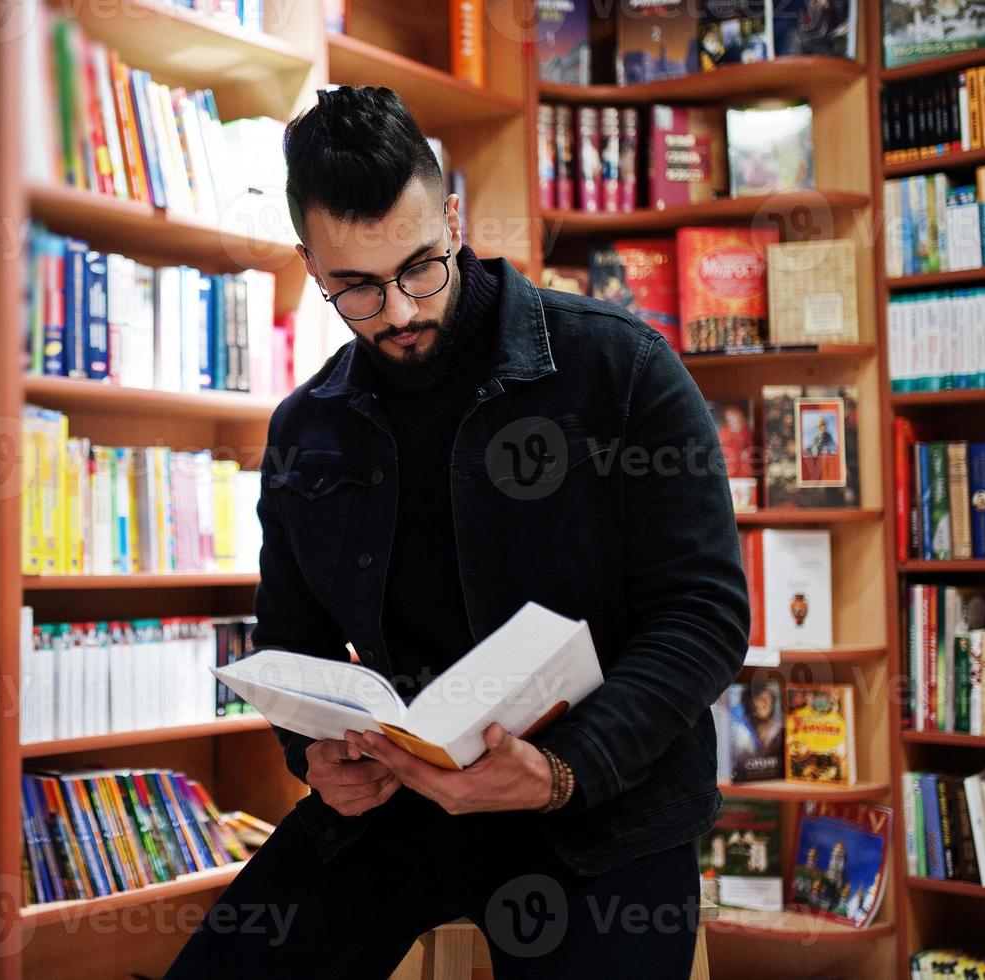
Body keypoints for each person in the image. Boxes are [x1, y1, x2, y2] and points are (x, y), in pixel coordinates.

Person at [167, 86, 748, 979]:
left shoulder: (619, 366)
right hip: (399, 801)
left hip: (600, 805)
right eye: (353, 288)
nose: (397, 311)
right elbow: (293, 640)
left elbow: (703, 614)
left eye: (419, 268)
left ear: (452, 216)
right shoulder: (305, 429)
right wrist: (315, 759)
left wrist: (562, 769)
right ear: (307, 263)